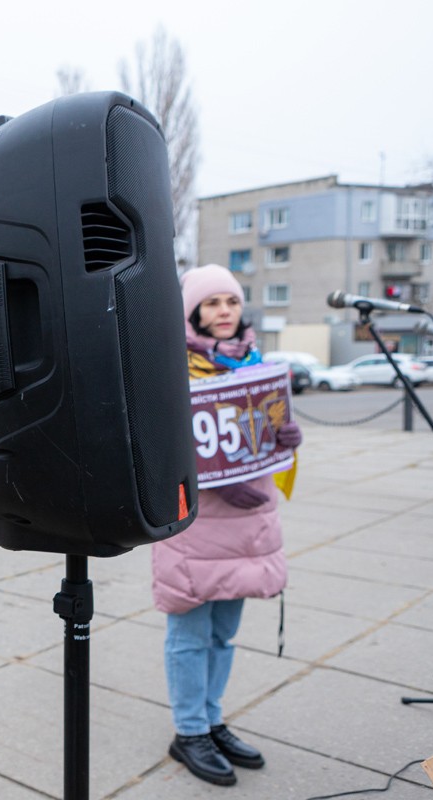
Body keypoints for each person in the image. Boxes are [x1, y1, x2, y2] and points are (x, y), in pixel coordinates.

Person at [152, 264, 303, 787]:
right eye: (212, 303)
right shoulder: (174, 369)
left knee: (224, 634)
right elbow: (161, 448)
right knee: (189, 633)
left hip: (247, 522)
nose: (223, 312)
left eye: (231, 302)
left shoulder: (258, 367)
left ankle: (213, 721)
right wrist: (213, 479)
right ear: (192, 312)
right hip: (196, 523)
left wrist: (283, 442)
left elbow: (266, 443)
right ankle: (189, 729)